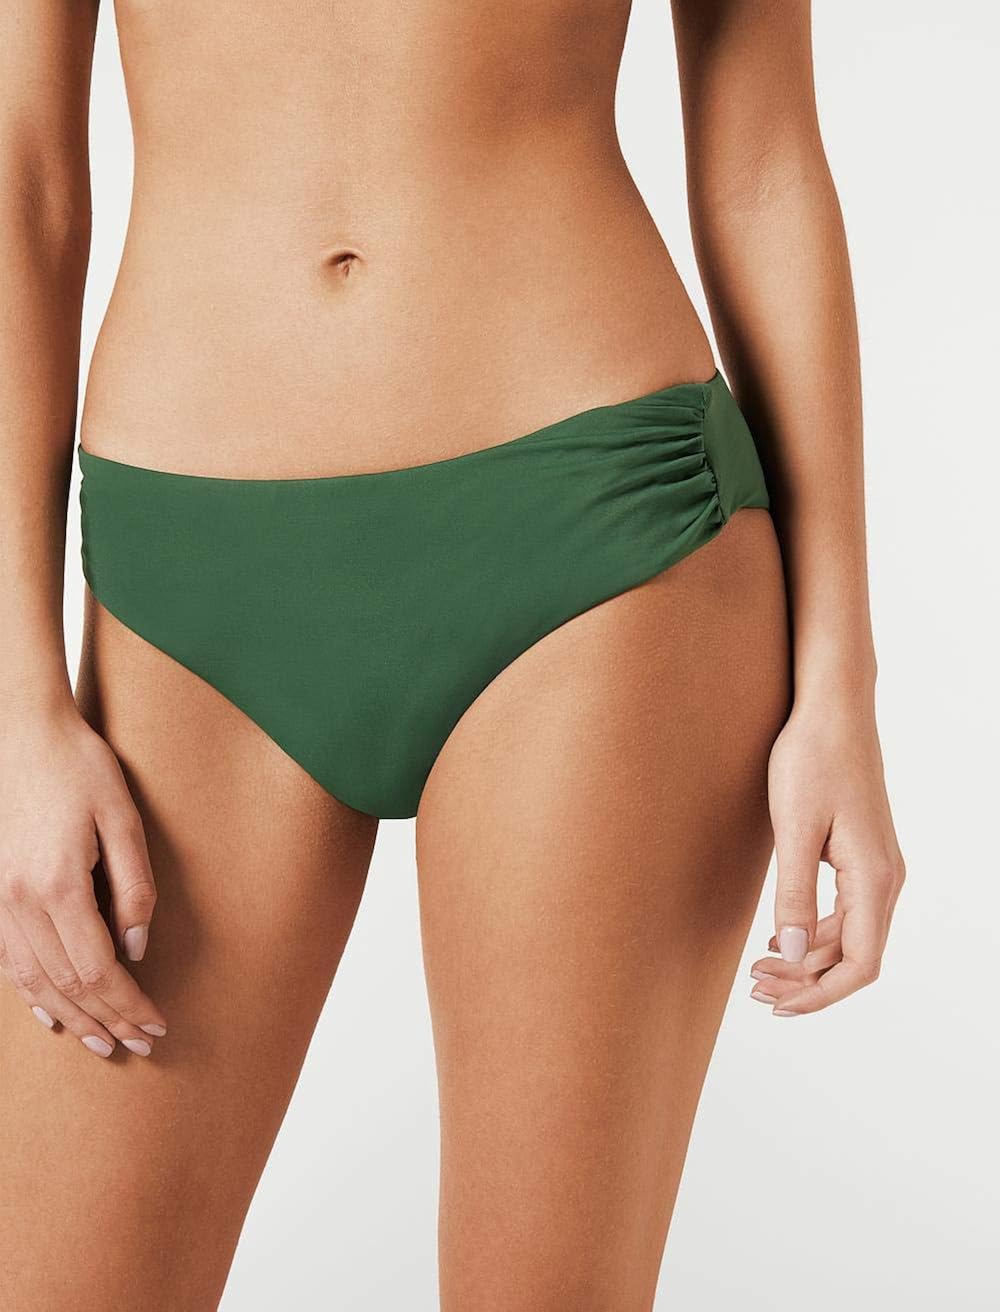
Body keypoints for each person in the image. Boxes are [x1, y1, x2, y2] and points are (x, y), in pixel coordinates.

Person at [0, 2, 905, 1307]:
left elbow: (764, 165)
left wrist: (840, 688)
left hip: (594, 538)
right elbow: (24, 176)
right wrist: (18, 707)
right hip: (182, 586)